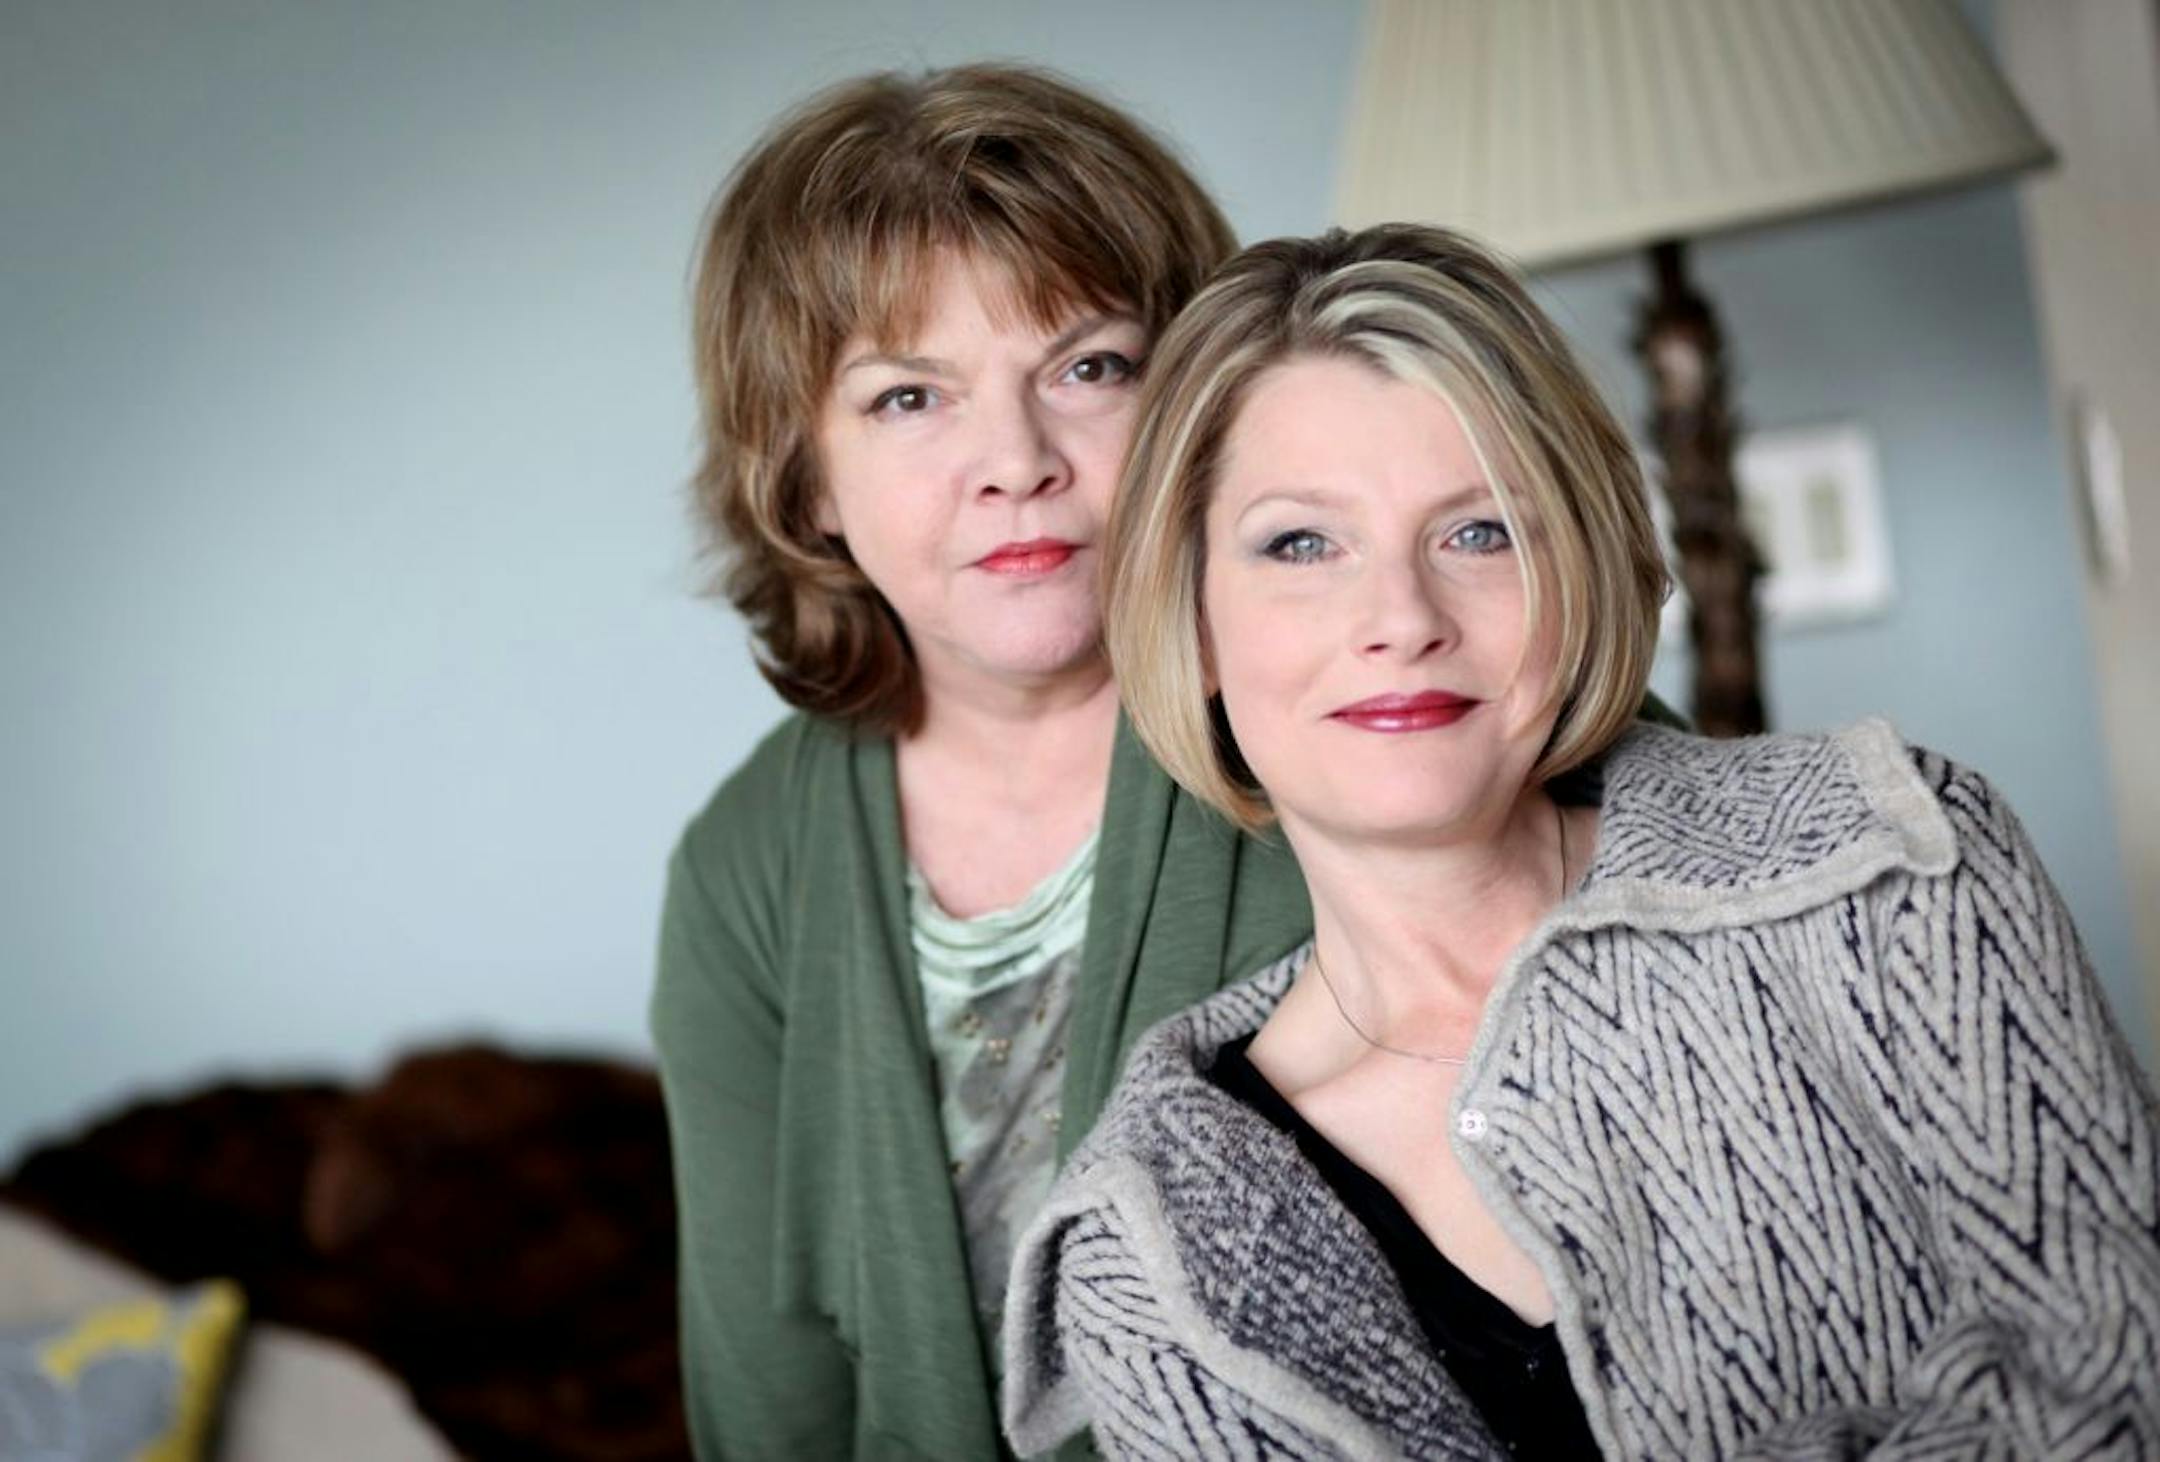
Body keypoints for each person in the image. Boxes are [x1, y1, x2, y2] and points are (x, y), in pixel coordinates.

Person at [1003, 224, 2160, 1459]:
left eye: (1480, 531)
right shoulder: (1150, 1250)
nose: (1400, 618)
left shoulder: (1897, 861)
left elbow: (2124, 1384)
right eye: (1302, 544)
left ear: (1585, 562)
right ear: (1191, 617)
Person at [650, 66, 1318, 1460]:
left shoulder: (1355, 692)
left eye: (1089, 366)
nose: (1016, 460)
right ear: (806, 477)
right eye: (909, 398)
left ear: (1197, 401)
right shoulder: (744, 869)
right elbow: (767, 1392)